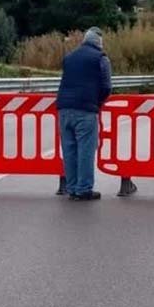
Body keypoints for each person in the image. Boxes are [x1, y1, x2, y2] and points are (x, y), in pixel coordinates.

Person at [56, 27, 112, 201]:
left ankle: (72, 188)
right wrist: (98, 102)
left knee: (69, 149)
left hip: (64, 109)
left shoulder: (69, 57)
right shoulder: (101, 59)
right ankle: (84, 189)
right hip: (85, 109)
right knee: (86, 149)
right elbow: (106, 86)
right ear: (99, 42)